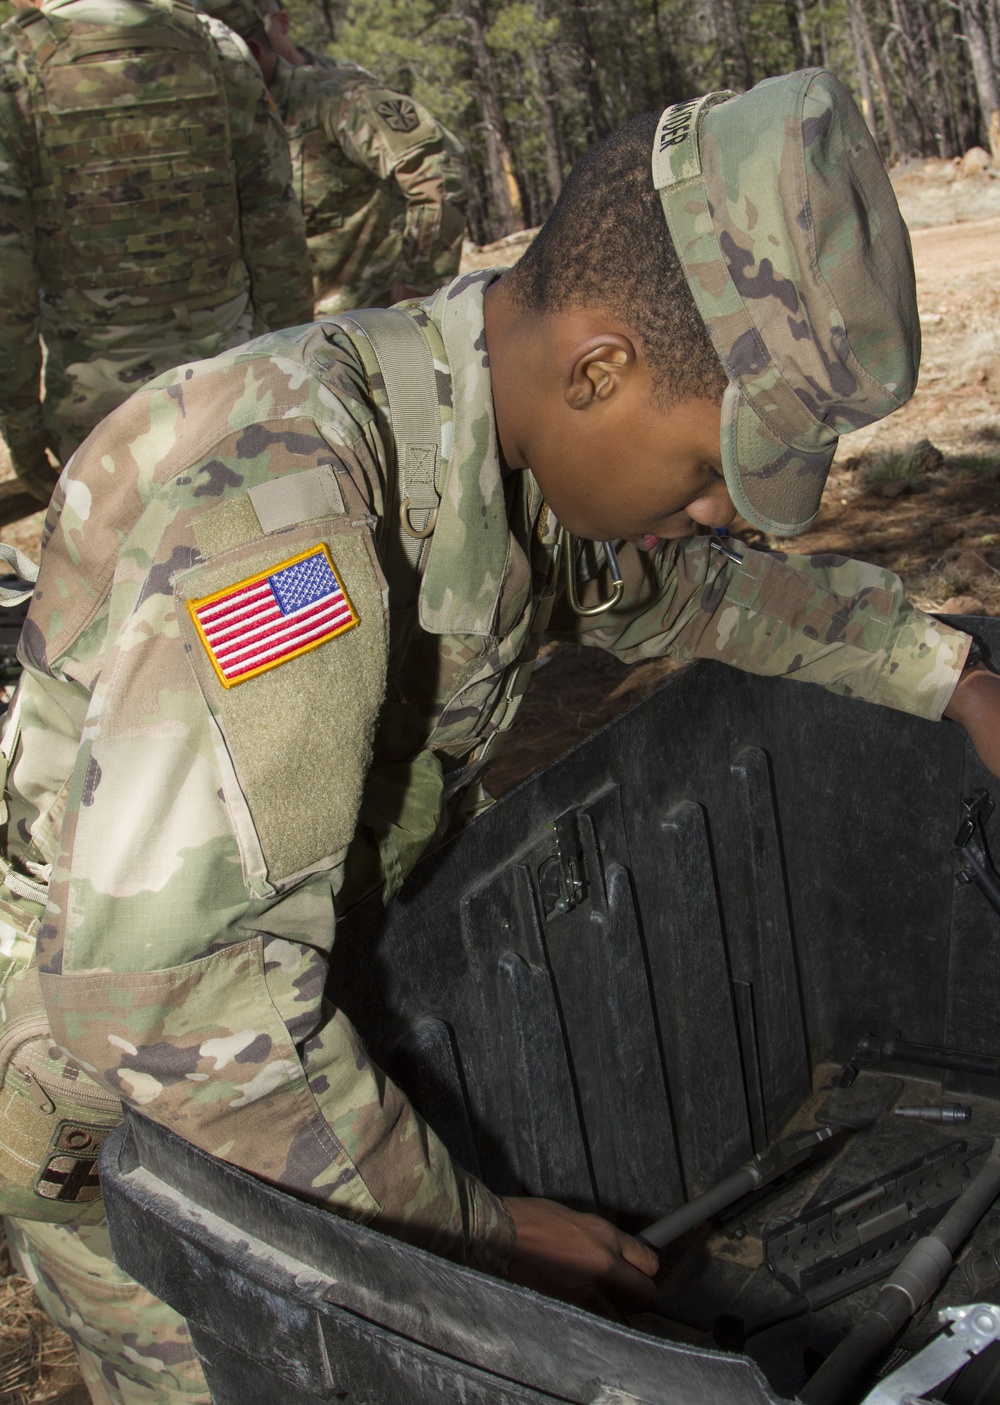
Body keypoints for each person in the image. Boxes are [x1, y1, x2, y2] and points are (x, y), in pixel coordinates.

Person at [5, 69, 1000, 1403]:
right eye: (709, 471)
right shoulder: (289, 521)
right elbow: (167, 1002)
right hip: (146, 1130)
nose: (718, 514)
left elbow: (689, 593)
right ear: (600, 365)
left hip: (278, 1033)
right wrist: (471, 1235)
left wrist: (952, 682)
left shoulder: (497, 438)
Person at [0, 0, 314, 505]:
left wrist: (21, 427)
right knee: (265, 555)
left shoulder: (13, 63)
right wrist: (295, 360)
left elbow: (7, 274)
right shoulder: (214, 44)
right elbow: (274, 218)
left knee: (128, 575)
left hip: (103, 412)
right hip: (235, 379)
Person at [201, 0, 468, 314]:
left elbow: (437, 168)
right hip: (273, 341)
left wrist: (416, 294)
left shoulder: (332, 98)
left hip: (363, 337)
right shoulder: (212, 125)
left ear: (249, 52)